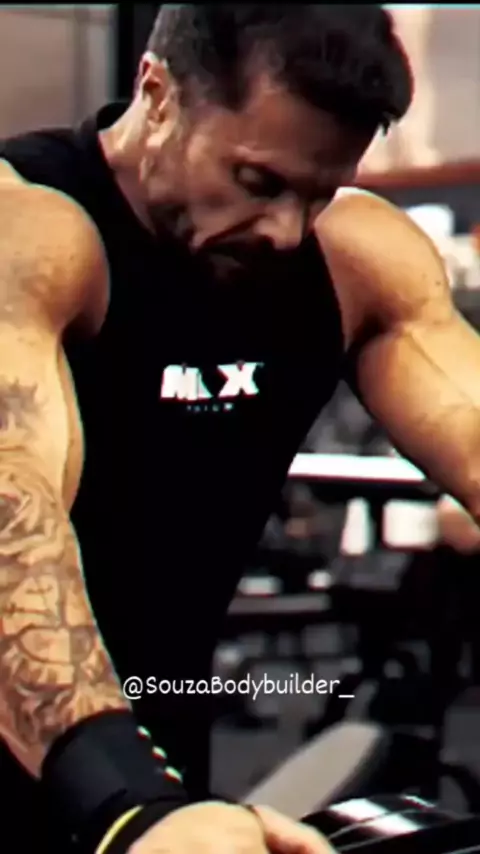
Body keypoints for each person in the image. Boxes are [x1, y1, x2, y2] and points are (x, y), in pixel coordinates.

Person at [0, 3, 477, 852]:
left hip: (161, 780)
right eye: (260, 182)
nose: (287, 230)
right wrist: (127, 804)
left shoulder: (353, 261)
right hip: (105, 780)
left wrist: (149, 806)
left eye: (319, 194)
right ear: (158, 95)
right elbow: (11, 523)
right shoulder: (29, 231)